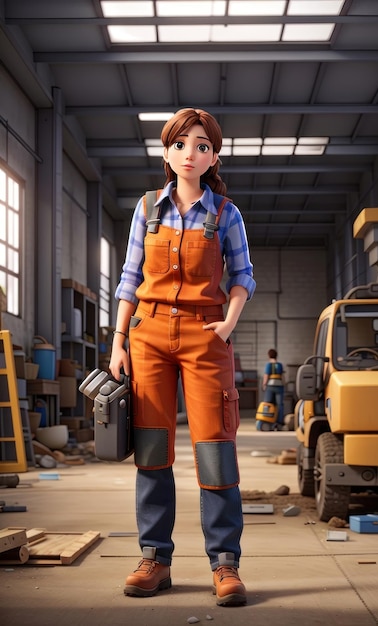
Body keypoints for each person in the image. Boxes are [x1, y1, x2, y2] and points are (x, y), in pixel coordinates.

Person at [109, 108, 256, 606]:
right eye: (180, 145)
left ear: (214, 154)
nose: (189, 154)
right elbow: (130, 278)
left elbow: (243, 276)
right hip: (147, 337)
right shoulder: (147, 207)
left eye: (201, 145)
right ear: (166, 152)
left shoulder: (225, 213)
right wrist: (118, 342)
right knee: (152, 453)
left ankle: (225, 565)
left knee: (215, 449)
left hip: (206, 335)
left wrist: (230, 322)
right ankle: (155, 558)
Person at [262, 348, 285, 429]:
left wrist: (264, 385)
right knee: (280, 405)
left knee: (268, 404)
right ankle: (279, 423)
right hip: (279, 386)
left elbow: (266, 376)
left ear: (269, 356)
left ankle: (267, 421)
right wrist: (283, 385)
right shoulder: (280, 365)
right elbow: (282, 377)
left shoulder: (268, 365)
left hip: (270, 386)